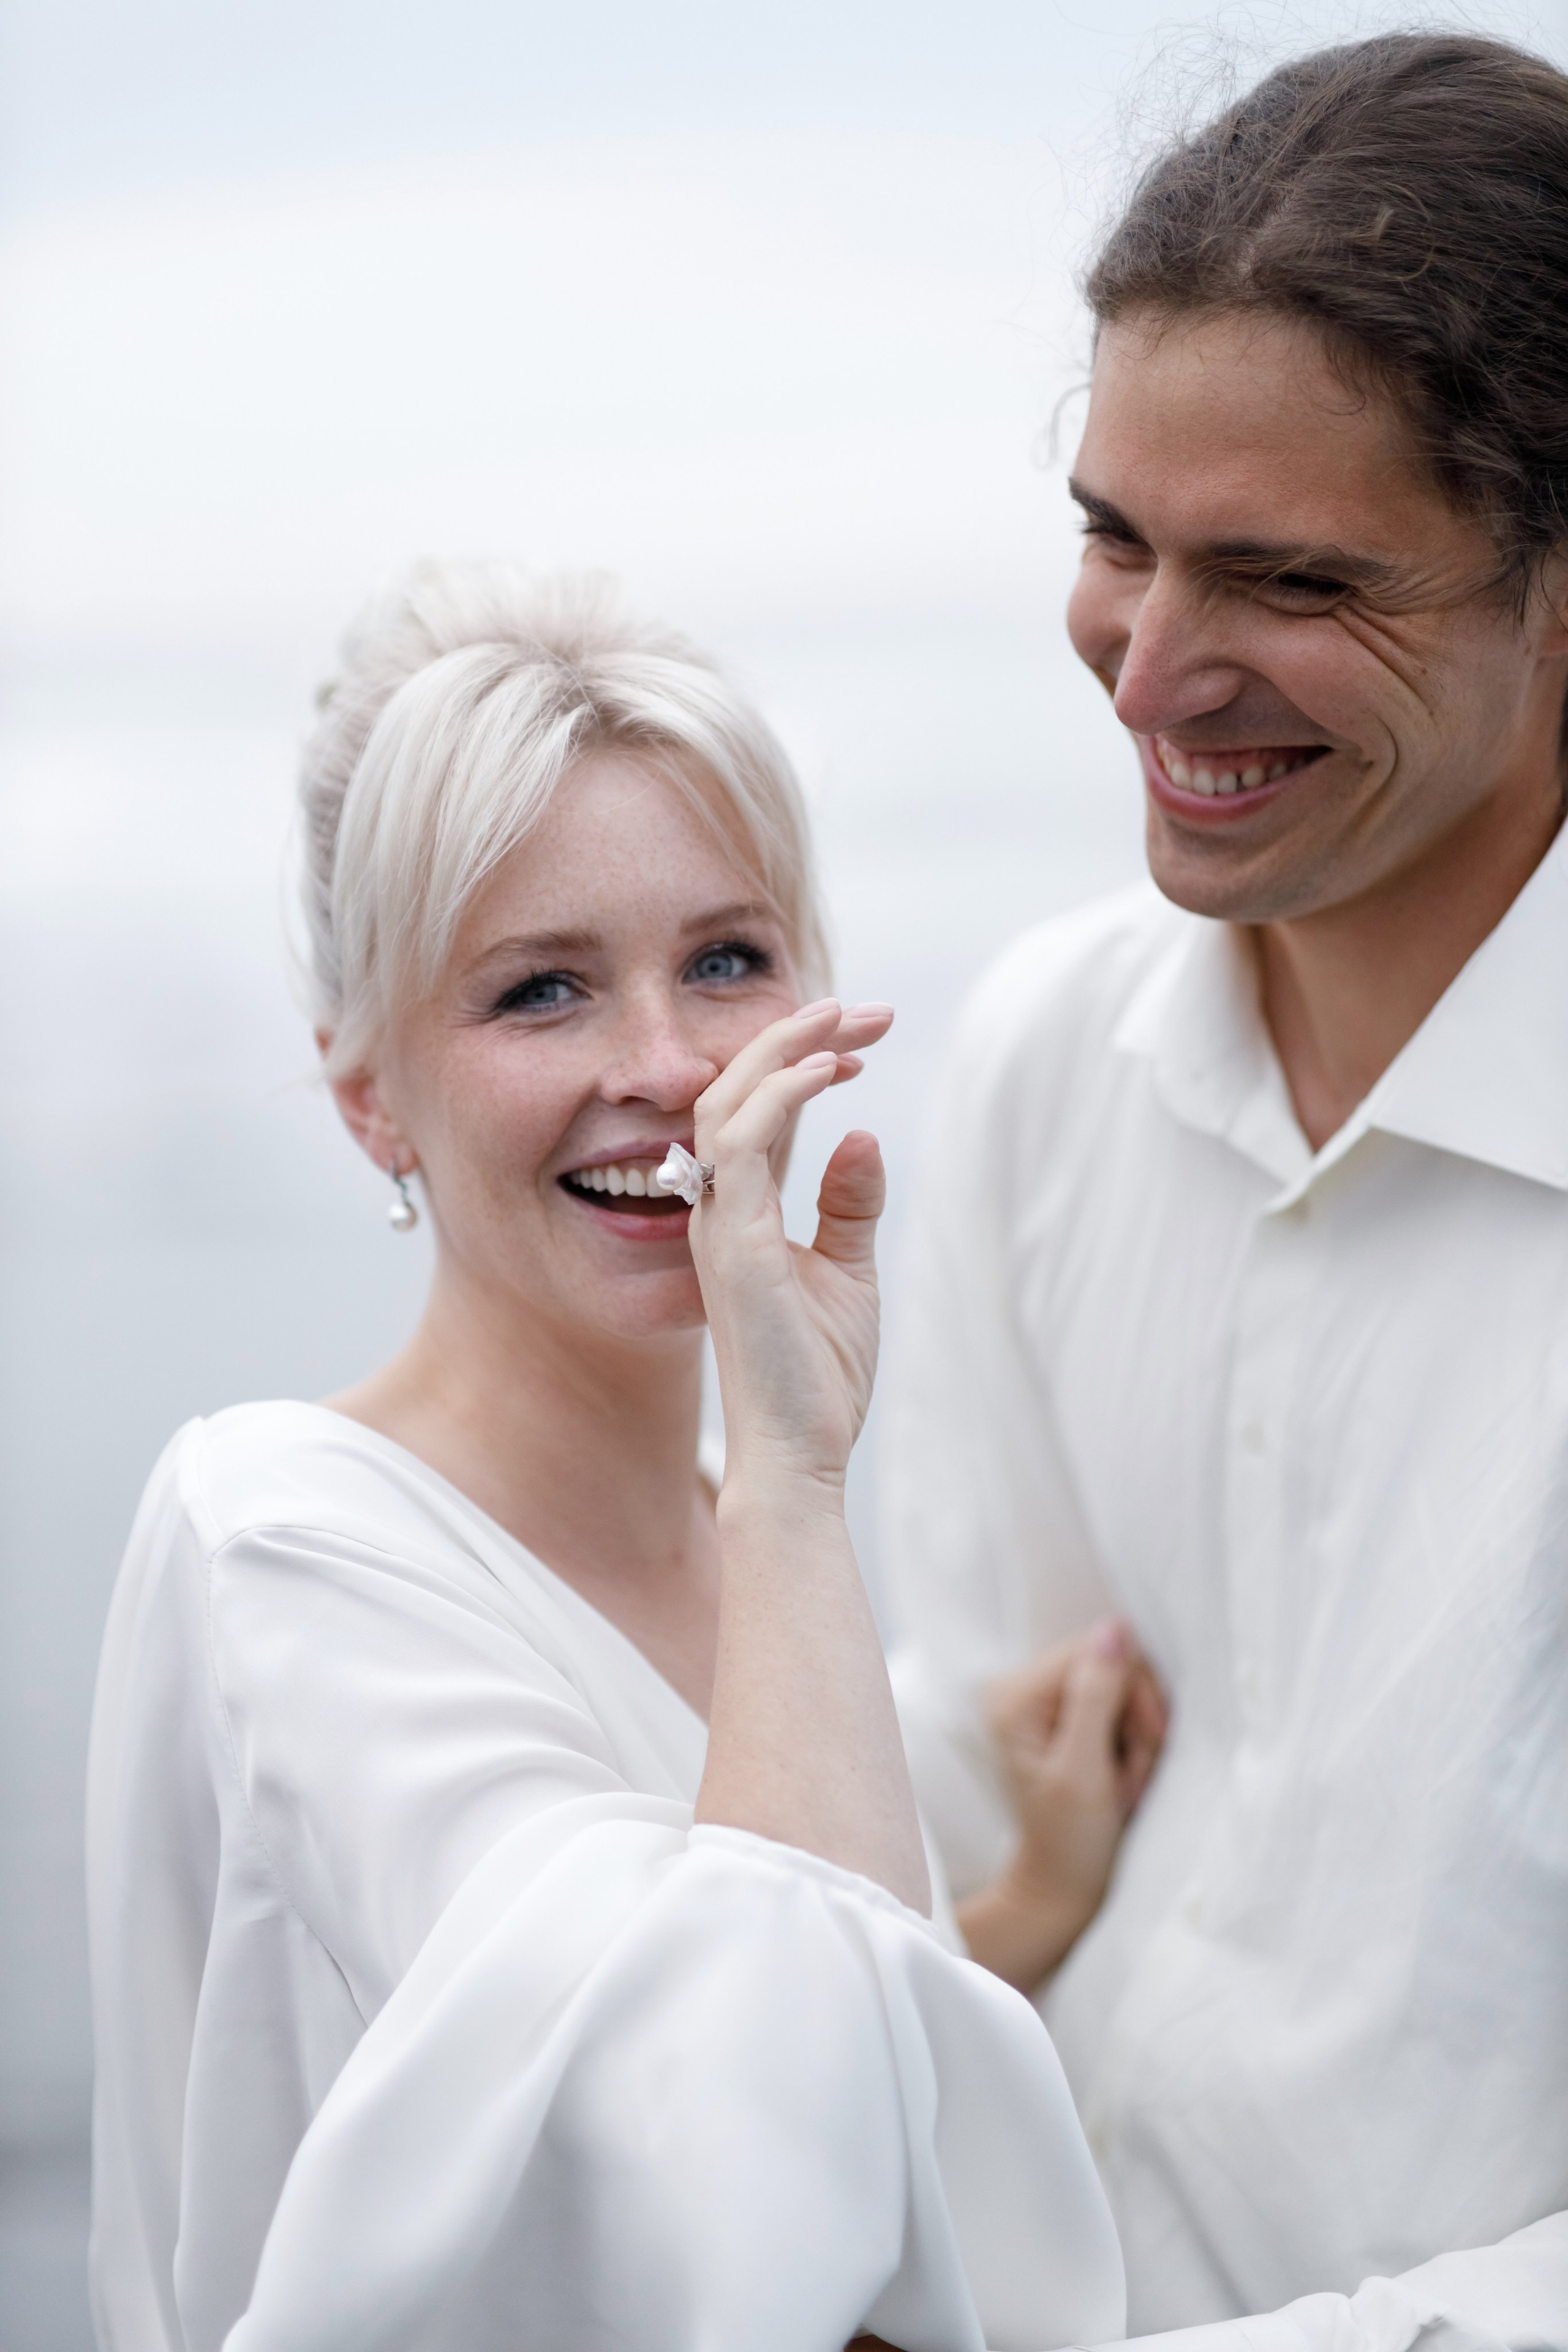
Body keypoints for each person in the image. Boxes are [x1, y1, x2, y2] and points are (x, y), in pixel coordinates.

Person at [85, 560, 1144, 2352]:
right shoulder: (282, 1544)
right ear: (369, 1099)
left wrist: (1019, 1909)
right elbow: (761, 2200)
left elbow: (761, 2025)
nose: (663, 1065)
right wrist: (806, 1493)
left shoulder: (743, 1529)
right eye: (539, 993)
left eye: (726, 960)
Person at [884, 31, 1568, 2352]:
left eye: (1285, 575)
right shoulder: (1043, 1067)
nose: (1149, 671)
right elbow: (979, 1806)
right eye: (1111, 534)